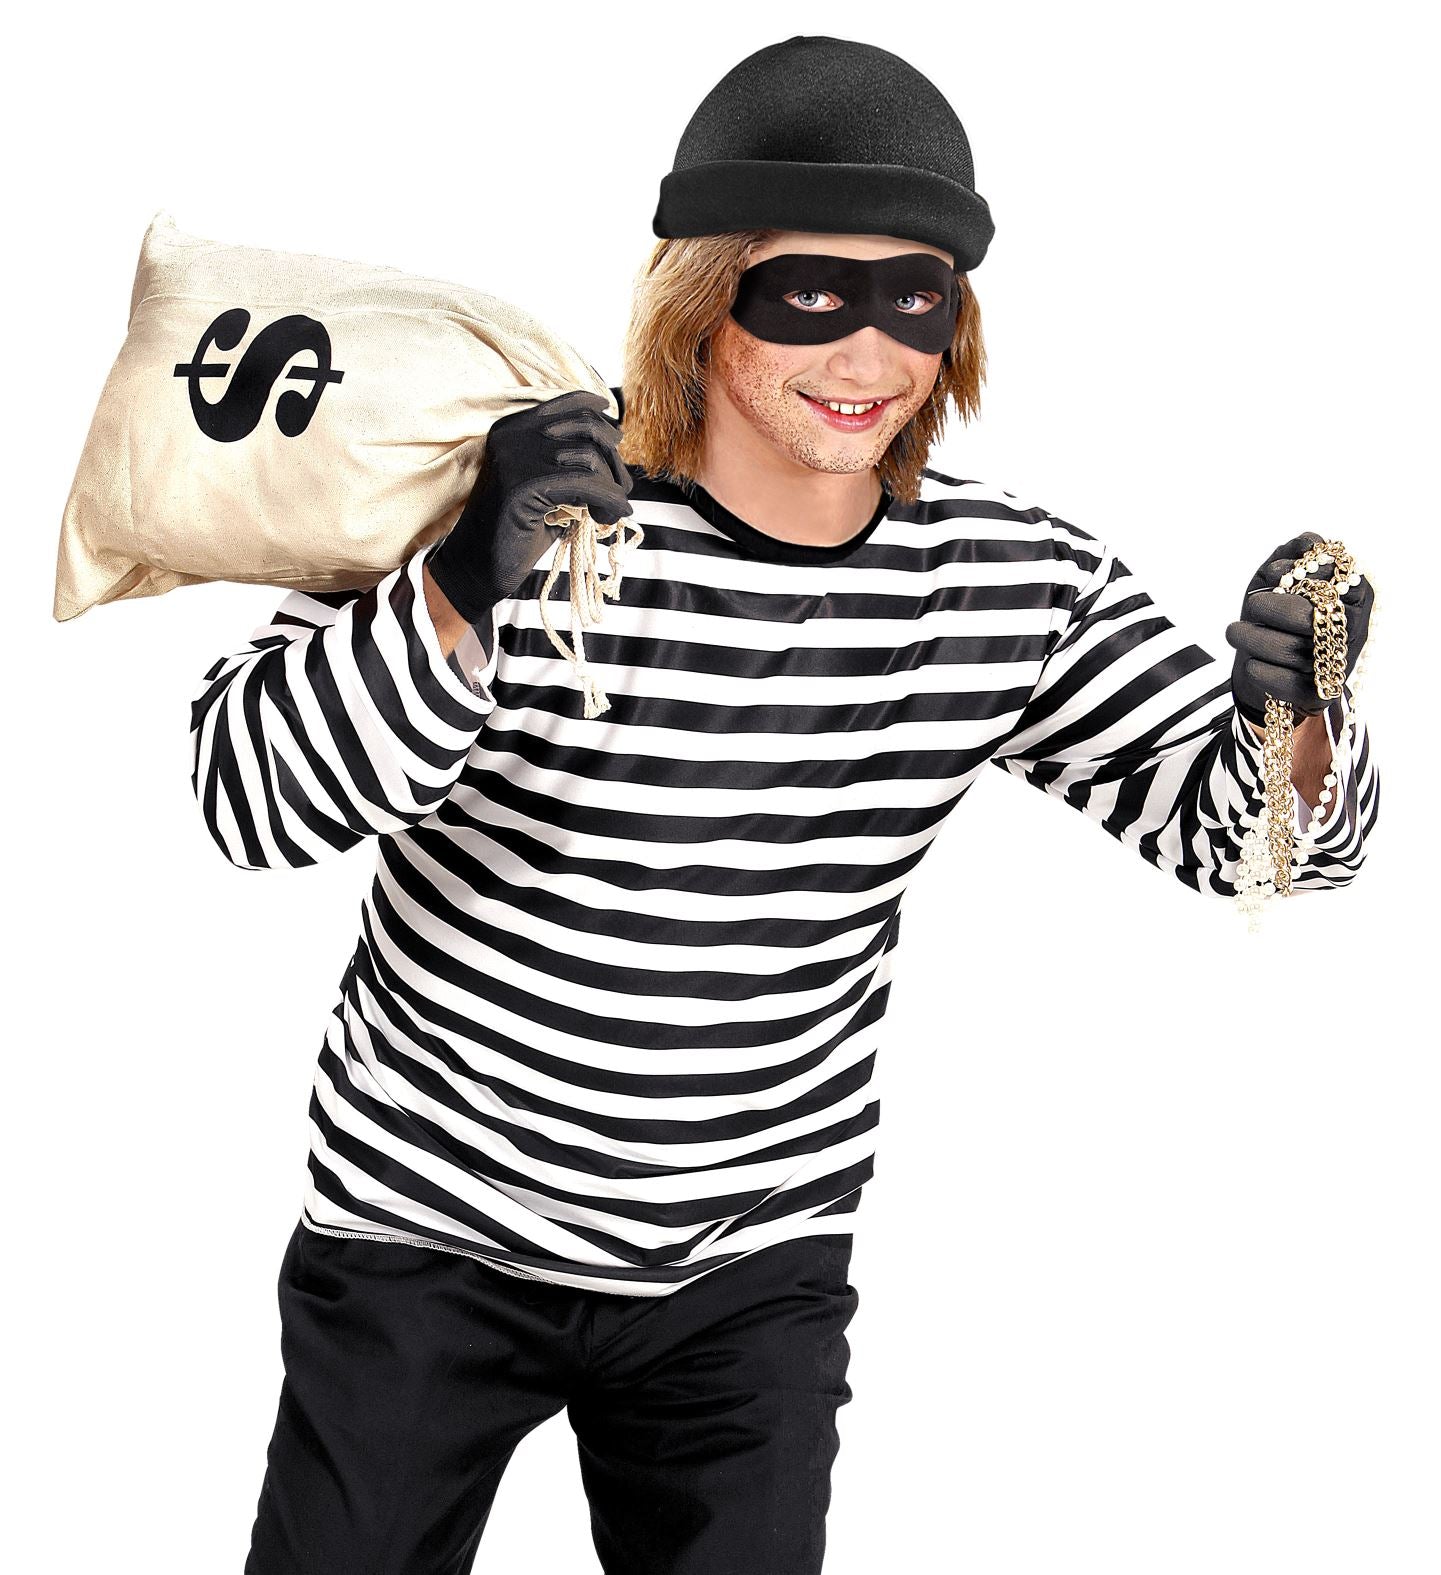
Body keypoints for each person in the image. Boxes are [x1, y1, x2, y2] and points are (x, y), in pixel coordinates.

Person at [191, 35, 1379, 1575]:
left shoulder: (1010, 580)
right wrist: (465, 576)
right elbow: (250, 800)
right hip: (424, 1238)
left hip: (745, 1276)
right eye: (811, 295)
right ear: (700, 301)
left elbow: (1256, 853)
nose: (869, 353)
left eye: (913, 298)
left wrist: (1295, 715)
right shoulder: (507, 499)